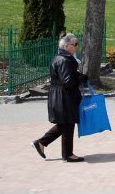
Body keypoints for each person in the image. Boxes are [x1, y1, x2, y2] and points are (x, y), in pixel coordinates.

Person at [31, 33, 88, 162]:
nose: (76, 47)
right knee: (68, 123)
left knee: (65, 124)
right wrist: (81, 78)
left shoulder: (61, 58)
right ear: (66, 46)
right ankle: (67, 155)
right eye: (75, 44)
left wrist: (78, 75)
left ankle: (41, 143)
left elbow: (66, 77)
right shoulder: (63, 60)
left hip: (61, 96)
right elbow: (68, 81)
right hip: (64, 97)